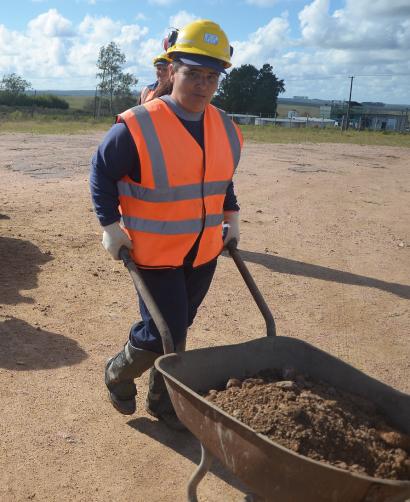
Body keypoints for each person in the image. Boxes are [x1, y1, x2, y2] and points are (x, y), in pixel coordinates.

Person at [90, 19, 242, 429]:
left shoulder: (225, 128)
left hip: (203, 251)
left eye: (212, 76)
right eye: (193, 73)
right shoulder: (139, 124)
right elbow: (102, 170)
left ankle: (161, 399)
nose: (203, 85)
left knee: (179, 326)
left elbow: (221, 179)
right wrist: (110, 225)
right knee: (165, 331)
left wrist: (232, 216)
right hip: (153, 253)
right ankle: (118, 371)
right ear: (173, 70)